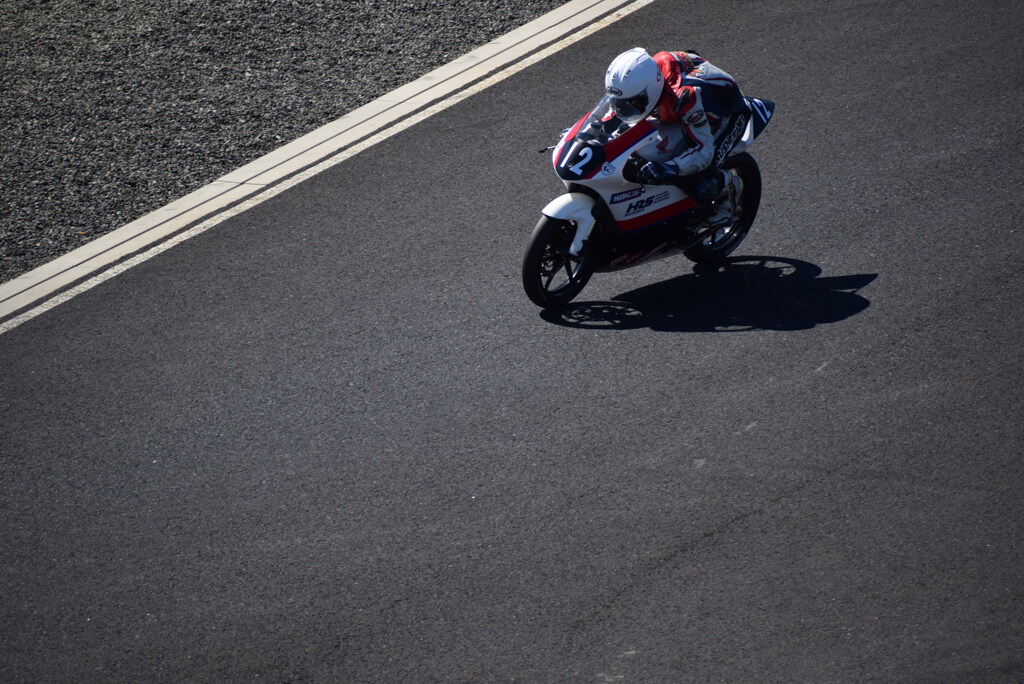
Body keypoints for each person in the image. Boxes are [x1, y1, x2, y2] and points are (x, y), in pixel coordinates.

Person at [604, 47, 749, 224]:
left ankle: (729, 186)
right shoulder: (640, 80)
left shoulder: (684, 97)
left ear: (650, 91)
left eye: (632, 104)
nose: (625, 109)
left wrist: (667, 169)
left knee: (699, 177)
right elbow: (611, 114)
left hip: (728, 114)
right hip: (676, 107)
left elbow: (703, 151)